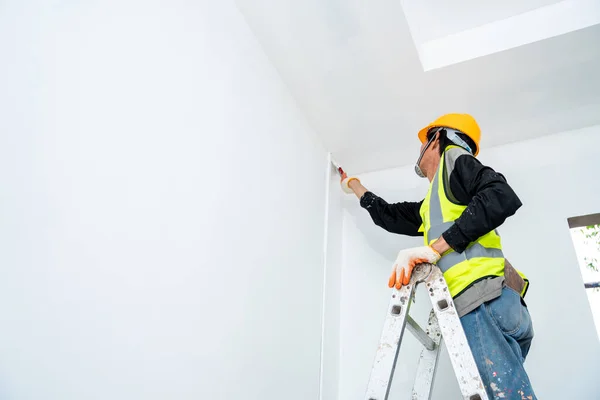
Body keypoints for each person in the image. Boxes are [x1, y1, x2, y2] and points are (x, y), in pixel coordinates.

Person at [341, 114, 536, 400]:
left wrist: (438, 247)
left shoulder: (454, 158)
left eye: (423, 141)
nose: (419, 149)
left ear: (436, 140)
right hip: (503, 305)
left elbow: (501, 195)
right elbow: (390, 216)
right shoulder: (434, 202)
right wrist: (354, 186)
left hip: (483, 301)